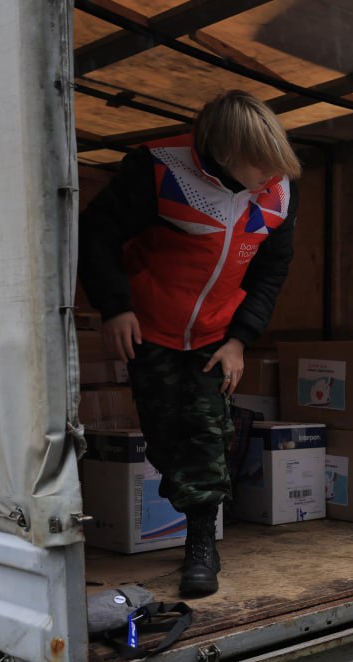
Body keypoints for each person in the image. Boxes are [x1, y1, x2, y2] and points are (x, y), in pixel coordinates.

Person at [79, 91, 301, 598]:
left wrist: (241, 340)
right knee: (165, 437)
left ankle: (201, 545)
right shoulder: (158, 168)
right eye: (261, 168)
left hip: (214, 336)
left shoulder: (281, 192)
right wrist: (115, 306)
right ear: (225, 155)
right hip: (149, 327)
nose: (271, 179)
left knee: (207, 433)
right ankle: (187, 510)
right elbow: (96, 233)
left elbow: (272, 272)